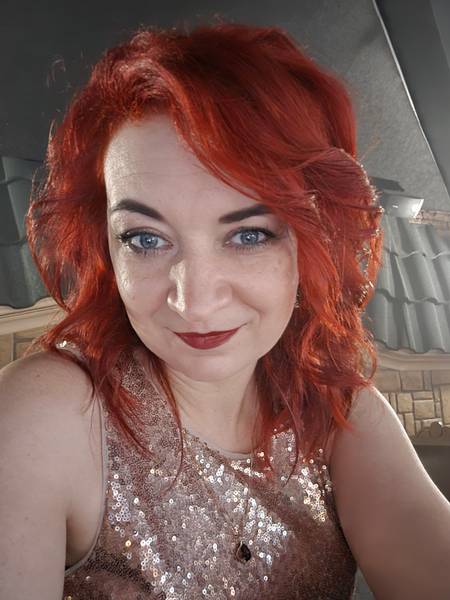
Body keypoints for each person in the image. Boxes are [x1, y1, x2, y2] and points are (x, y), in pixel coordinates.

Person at [1, 20, 449, 600]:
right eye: (145, 238)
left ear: (312, 239)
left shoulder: (336, 412)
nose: (194, 301)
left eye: (248, 235)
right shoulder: (49, 414)